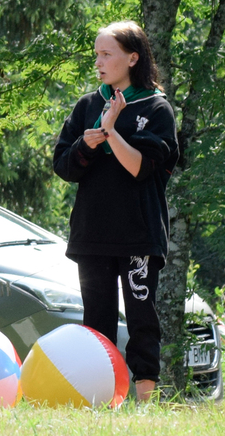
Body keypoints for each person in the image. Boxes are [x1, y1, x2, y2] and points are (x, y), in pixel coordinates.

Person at [51, 21, 178, 402]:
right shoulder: (87, 105)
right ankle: (100, 396)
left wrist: (110, 132)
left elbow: (142, 168)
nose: (98, 62)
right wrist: (86, 145)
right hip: (92, 233)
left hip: (138, 234)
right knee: (96, 322)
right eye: (97, 55)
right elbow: (64, 166)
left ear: (132, 58)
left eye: (107, 54)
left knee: (142, 319)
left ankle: (145, 401)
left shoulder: (156, 108)